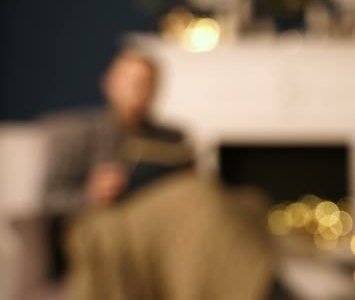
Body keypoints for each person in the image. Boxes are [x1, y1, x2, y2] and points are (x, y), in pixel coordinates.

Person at [42, 49, 274, 300]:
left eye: (146, 83)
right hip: (113, 217)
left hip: (173, 213)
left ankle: (256, 283)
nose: (138, 90)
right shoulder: (81, 132)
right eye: (131, 81)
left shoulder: (172, 135)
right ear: (110, 83)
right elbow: (49, 199)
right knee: (197, 198)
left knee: (248, 201)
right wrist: (90, 194)